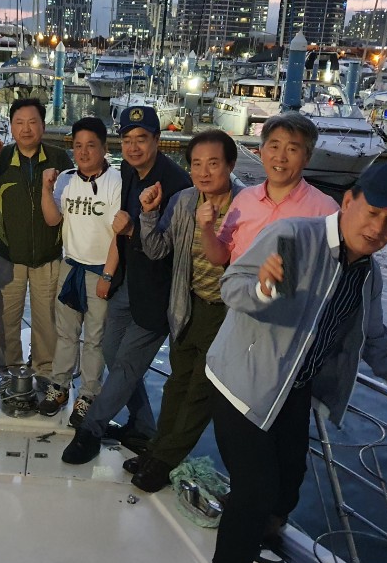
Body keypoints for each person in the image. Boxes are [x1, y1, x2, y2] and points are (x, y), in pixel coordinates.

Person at [205, 162, 387, 563]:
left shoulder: (369, 274)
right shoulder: (294, 237)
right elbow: (231, 286)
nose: (380, 228)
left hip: (293, 388)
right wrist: (262, 289)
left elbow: (373, 334)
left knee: (289, 483)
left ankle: (254, 534)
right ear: (349, 200)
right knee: (256, 491)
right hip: (242, 383)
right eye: (374, 212)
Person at [61, 105, 191, 464]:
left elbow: (171, 249)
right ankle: (143, 427)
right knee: (111, 351)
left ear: (157, 140)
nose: (133, 147)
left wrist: (133, 229)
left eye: (142, 139)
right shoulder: (131, 172)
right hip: (128, 281)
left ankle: (91, 430)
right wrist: (110, 274)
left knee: (128, 365)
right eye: (128, 139)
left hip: (158, 292)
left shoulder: (177, 185)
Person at [128, 130, 241, 492]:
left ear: (230, 165)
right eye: (196, 164)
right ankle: (157, 449)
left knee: (200, 394)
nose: (204, 172)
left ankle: (163, 461)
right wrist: (148, 214)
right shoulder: (184, 200)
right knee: (177, 385)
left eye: (213, 163)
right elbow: (157, 249)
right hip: (187, 305)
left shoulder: (246, 205)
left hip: (226, 314)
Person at [0, 97, 73, 386]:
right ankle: (8, 371)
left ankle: (45, 370)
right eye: (19, 122)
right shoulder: (0, 159)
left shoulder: (59, 159)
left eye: (33, 122)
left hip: (48, 256)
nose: (26, 129)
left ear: (43, 126)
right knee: (6, 320)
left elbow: (73, 202)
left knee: (47, 320)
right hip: (7, 256)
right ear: (10, 126)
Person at [37, 117, 121, 427]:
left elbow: (118, 235)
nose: (83, 152)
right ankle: (59, 387)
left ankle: (88, 395)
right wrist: (46, 189)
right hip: (70, 266)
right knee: (66, 334)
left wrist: (108, 276)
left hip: (100, 270)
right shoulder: (66, 179)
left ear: (104, 148)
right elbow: (51, 220)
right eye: (78, 146)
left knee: (95, 339)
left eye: (91, 146)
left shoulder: (116, 182)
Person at [201, 112, 339, 266]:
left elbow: (335, 267)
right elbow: (218, 258)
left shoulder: (326, 210)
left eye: (292, 149)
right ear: (261, 150)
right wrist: (207, 229)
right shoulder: (244, 199)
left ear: (307, 157)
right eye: (274, 146)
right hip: (240, 282)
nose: (280, 157)